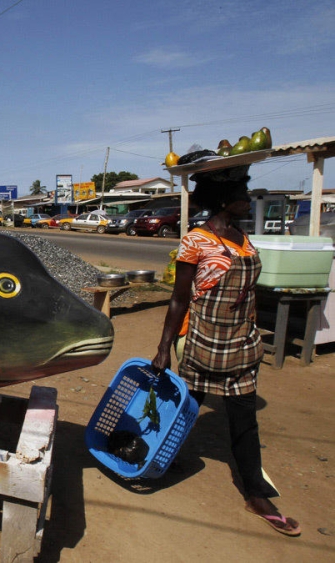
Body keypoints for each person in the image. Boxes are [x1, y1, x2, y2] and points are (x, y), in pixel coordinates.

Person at [152, 164, 301, 537]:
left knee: (244, 421)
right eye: (242, 195)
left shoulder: (242, 236)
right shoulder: (195, 240)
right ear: (223, 199)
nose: (248, 201)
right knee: (185, 409)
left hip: (243, 344)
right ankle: (156, 458)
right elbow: (179, 299)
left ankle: (255, 493)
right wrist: (164, 348)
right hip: (205, 342)